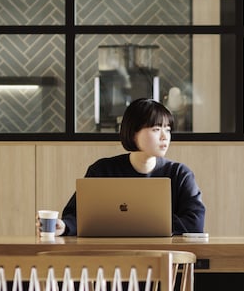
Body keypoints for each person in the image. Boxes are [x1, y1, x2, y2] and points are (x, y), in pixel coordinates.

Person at [54, 98, 205, 236]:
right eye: (156, 129)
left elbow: (195, 223)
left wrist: (141, 225)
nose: (164, 137)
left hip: (163, 255)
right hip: (111, 253)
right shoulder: (102, 170)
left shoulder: (179, 174)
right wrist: (64, 226)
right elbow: (77, 215)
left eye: (168, 129)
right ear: (133, 133)